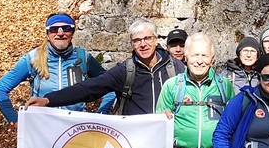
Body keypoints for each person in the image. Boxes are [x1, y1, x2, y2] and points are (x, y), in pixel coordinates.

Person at [28, 19, 184, 116]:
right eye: (137, 40)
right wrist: (49, 100)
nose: (143, 44)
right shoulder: (126, 71)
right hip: (137, 143)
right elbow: (89, 88)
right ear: (132, 44)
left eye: (147, 38)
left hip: (170, 142)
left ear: (156, 40)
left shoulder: (176, 68)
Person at [0, 13, 115, 124]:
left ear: (72, 32)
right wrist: (15, 120)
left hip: (76, 129)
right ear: (47, 33)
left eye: (66, 29)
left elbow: (110, 86)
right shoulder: (32, 58)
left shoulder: (83, 58)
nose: (60, 33)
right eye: (54, 29)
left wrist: (102, 113)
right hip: (42, 129)